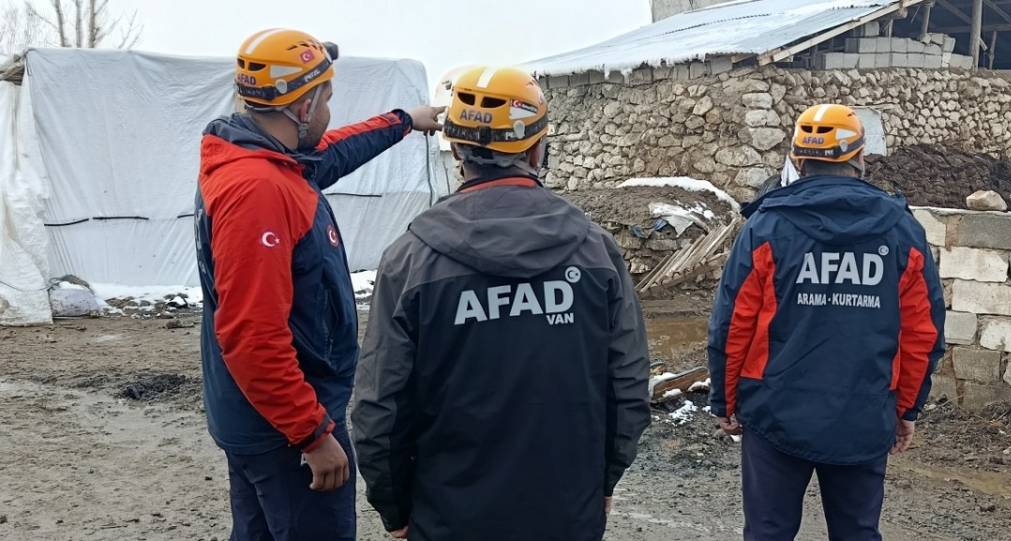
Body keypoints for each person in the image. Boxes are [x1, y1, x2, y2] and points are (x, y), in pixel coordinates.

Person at [352, 66, 651, 541]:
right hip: (566, 512)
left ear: (456, 149)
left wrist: (395, 507)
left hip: (449, 518)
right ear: (536, 148)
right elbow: (628, 385)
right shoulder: (596, 250)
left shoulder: (409, 259)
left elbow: (379, 405)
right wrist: (604, 478)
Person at [194, 28, 443, 541]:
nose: (330, 110)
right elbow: (251, 333)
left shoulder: (264, 160)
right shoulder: (259, 190)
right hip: (283, 431)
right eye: (327, 98)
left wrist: (403, 121)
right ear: (302, 106)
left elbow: (332, 152)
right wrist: (311, 433)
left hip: (259, 415)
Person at [708, 104, 946, 541]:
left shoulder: (767, 226)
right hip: (864, 412)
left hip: (775, 413)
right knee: (857, 532)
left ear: (798, 160)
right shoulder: (900, 230)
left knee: (767, 533)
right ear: (859, 157)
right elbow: (922, 332)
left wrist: (725, 401)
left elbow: (733, 323)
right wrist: (905, 408)